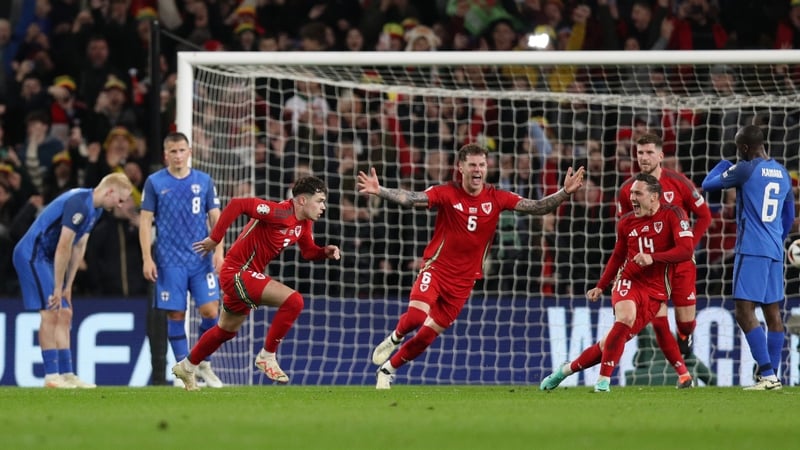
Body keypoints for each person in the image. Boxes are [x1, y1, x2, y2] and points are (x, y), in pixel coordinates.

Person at [358, 143, 585, 390]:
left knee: (426, 336)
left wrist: (564, 192)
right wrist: (380, 191)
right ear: (460, 168)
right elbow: (412, 199)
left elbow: (538, 206)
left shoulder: (497, 197)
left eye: (482, 165)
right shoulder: (446, 192)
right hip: (436, 269)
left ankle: (388, 370)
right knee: (415, 317)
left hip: (464, 282)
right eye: (472, 165)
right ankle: (394, 338)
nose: (478, 170)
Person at [171, 176, 341, 391]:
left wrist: (325, 251)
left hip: (246, 276)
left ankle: (186, 366)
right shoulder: (280, 212)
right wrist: (215, 239)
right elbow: (237, 205)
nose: (323, 207)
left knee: (226, 331)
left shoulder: (303, 223)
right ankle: (267, 356)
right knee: (295, 301)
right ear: (302, 201)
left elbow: (308, 251)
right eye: (320, 200)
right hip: (237, 273)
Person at [540, 173, 695, 392]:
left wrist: (654, 258)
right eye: (631, 193)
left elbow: (686, 250)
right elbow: (618, 255)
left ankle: (566, 370)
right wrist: (601, 285)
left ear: (654, 197)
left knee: (609, 344)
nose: (632, 197)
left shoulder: (674, 214)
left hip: (656, 292)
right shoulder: (625, 223)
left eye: (638, 193)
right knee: (625, 317)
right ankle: (603, 382)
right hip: (629, 280)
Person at [12, 172, 133, 388]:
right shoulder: (80, 205)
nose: (121, 205)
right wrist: (57, 287)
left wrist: (67, 286)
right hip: (32, 254)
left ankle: (67, 374)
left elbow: (79, 246)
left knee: (65, 312)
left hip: (46, 258)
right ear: (110, 191)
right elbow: (63, 245)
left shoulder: (95, 209)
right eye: (120, 199)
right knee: (51, 311)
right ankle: (51, 376)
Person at [701, 125, 794, 390]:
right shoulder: (783, 172)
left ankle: (767, 374)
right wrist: (777, 238)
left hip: (751, 248)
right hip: (775, 250)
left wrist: (723, 163)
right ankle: (772, 376)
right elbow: (788, 215)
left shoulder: (745, 168)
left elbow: (708, 184)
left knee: (744, 311)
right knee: (773, 312)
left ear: (743, 148)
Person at [617, 133, 712, 371]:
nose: (644, 157)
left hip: (680, 263)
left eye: (649, 152)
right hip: (651, 266)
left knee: (686, 322)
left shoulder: (678, 182)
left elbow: (705, 216)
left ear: (660, 155)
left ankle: (684, 337)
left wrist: (689, 246)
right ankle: (679, 371)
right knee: (657, 319)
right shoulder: (628, 189)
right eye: (640, 153)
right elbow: (626, 229)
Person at [139, 132, 224, 388]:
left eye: (182, 150)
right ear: (166, 154)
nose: (178, 155)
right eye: (173, 151)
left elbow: (216, 218)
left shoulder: (204, 181)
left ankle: (204, 363)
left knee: (211, 311)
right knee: (176, 314)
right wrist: (146, 258)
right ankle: (185, 373)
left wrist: (219, 251)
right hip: (169, 261)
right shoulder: (155, 182)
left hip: (200, 259)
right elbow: (145, 221)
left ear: (190, 152)